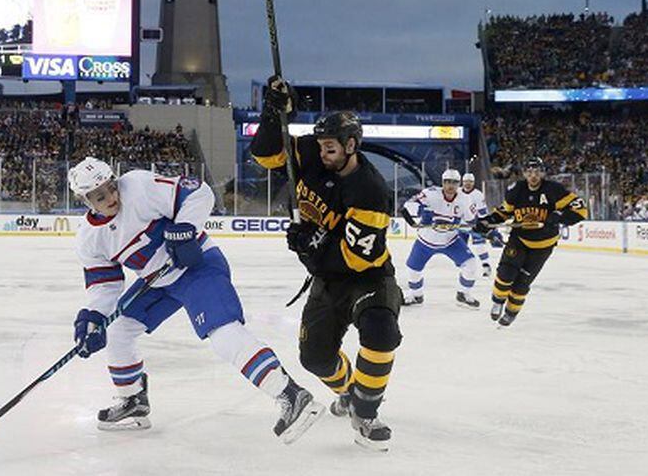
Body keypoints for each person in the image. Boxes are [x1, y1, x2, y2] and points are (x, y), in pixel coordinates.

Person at [68, 157, 321, 444]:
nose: (112, 196)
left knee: (223, 334)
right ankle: (133, 400)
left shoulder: (138, 185)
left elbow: (198, 192)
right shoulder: (90, 239)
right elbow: (105, 286)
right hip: (157, 281)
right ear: (84, 200)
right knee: (117, 330)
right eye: (100, 196)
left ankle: (290, 394)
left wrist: (186, 227)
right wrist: (93, 318)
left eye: (112, 187)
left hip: (197, 266)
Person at [252, 76, 403, 451]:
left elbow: (356, 257)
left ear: (352, 145)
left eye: (331, 147)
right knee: (315, 358)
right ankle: (351, 391)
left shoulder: (370, 190)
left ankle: (366, 413)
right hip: (326, 280)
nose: (323, 153)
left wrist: (311, 245)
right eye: (320, 145)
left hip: (368, 277)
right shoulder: (313, 156)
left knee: (380, 330)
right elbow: (266, 155)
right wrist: (275, 112)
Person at [473, 157, 587, 327]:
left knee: (521, 284)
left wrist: (559, 216)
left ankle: (511, 312)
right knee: (505, 273)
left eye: (537, 171)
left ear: (542, 173)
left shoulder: (554, 190)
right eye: (529, 172)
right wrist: (487, 222)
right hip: (519, 240)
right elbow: (504, 213)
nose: (533, 175)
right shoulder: (516, 190)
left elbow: (581, 209)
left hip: (543, 246)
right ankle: (498, 301)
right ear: (524, 173)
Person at [398, 168, 482, 309]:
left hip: (451, 241)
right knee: (413, 270)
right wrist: (416, 216)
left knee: (471, 265)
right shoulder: (430, 194)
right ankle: (416, 295)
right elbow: (407, 207)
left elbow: (471, 220)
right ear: (442, 182)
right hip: (425, 242)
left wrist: (479, 227)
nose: (450, 186)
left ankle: (463, 294)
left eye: (454, 183)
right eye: (447, 182)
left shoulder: (465, 199)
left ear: (459, 184)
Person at [457, 172, 498, 279]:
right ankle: (465, 269)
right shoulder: (457, 192)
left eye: (470, 182)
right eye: (466, 181)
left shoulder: (478, 195)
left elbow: (483, 213)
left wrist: (485, 225)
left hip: (474, 225)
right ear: (462, 182)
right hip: (461, 226)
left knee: (479, 246)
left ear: (473, 183)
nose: (467, 184)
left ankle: (486, 266)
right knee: (460, 246)